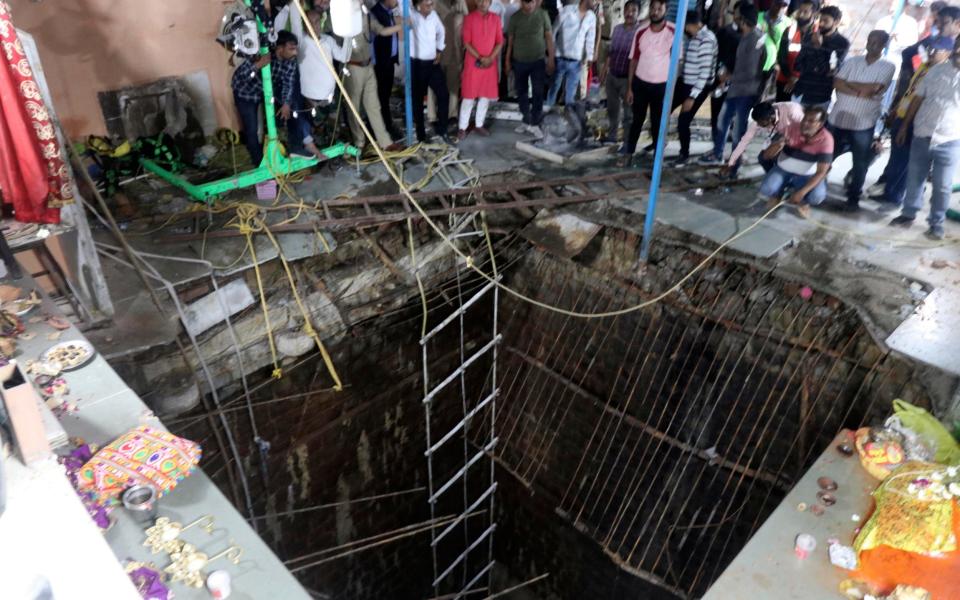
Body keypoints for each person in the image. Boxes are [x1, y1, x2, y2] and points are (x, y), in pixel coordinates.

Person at [889, 35, 960, 240]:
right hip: (922, 133)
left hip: (950, 139)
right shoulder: (935, 71)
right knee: (915, 177)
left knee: (943, 185)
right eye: (957, 45)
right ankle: (907, 214)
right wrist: (904, 126)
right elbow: (917, 98)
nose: (958, 50)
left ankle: (936, 223)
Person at [873, 35, 954, 210]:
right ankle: (890, 193)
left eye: (937, 50)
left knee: (905, 163)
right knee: (896, 159)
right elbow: (911, 91)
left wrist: (906, 123)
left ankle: (895, 198)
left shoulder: (941, 74)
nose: (931, 53)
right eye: (930, 49)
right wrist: (896, 110)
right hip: (903, 114)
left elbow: (923, 101)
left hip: (916, 121)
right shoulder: (924, 67)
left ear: (948, 53)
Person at [826, 30, 895, 211]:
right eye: (869, 40)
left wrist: (849, 85)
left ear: (884, 45)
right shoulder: (852, 61)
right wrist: (860, 91)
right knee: (826, 156)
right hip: (838, 118)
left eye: (876, 42)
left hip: (863, 123)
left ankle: (853, 197)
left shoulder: (888, 66)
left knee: (860, 162)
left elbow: (873, 90)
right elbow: (836, 84)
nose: (871, 44)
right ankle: (817, 187)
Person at [699, 2, 765, 166]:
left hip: (746, 92)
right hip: (735, 90)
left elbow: (750, 72)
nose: (733, 16)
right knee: (723, 121)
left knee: (738, 130)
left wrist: (728, 77)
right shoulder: (745, 36)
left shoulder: (755, 39)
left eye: (736, 14)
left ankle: (734, 163)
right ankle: (718, 154)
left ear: (742, 19)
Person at [334, 4, 403, 152]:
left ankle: (385, 142)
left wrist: (402, 26)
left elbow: (382, 31)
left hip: (368, 65)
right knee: (354, 108)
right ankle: (359, 142)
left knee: (374, 106)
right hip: (352, 67)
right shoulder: (341, 15)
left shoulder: (366, 14)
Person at [619, 0, 675, 163]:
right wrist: (630, 87)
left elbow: (676, 62)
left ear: (665, 10)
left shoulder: (673, 31)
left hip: (661, 86)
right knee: (637, 120)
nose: (655, 12)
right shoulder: (641, 31)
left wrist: (671, 89)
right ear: (649, 10)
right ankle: (628, 154)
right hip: (640, 83)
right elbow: (633, 60)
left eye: (659, 9)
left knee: (657, 123)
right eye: (653, 8)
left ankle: (657, 159)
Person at [758, 105, 834, 218]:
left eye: (811, 121)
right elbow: (766, 156)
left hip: (807, 175)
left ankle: (803, 202)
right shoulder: (790, 128)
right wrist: (778, 145)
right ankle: (777, 195)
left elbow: (821, 172)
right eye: (804, 119)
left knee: (817, 197)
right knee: (766, 190)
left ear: (820, 124)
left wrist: (802, 193)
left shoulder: (826, 140)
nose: (805, 123)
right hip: (783, 170)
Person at [672, 10, 718, 165]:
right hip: (685, 82)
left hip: (697, 87)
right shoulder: (696, 36)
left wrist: (692, 97)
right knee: (664, 110)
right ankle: (658, 144)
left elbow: (705, 72)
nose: (685, 30)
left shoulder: (706, 39)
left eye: (686, 27)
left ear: (693, 25)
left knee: (683, 121)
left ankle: (684, 154)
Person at [506, 0, 555, 137]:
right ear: (521, 2)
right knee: (521, 92)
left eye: (532, 2)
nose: (529, 6)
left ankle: (535, 123)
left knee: (538, 92)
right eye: (526, 3)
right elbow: (510, 42)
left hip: (537, 61)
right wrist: (507, 61)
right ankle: (526, 120)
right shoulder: (515, 18)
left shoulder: (543, 15)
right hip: (519, 62)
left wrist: (551, 59)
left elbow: (549, 38)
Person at [458, 0, 504, 138]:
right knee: (468, 97)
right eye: (480, 0)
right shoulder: (469, 19)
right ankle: (462, 127)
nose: (483, 3)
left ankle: (479, 125)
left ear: (490, 3)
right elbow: (466, 42)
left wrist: (490, 58)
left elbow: (500, 42)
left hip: (490, 64)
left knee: (485, 97)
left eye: (486, 0)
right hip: (473, 63)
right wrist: (480, 57)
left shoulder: (495, 18)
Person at [270, 30, 319, 159]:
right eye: (291, 49)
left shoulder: (291, 60)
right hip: (253, 93)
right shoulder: (267, 58)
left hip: (276, 89)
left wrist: (286, 103)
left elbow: (288, 83)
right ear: (280, 49)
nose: (296, 52)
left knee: (293, 107)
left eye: (296, 49)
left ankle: (297, 148)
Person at [409, 0, 453, 143]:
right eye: (428, 4)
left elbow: (441, 31)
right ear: (418, 5)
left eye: (432, 3)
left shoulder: (433, 15)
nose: (431, 7)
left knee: (444, 94)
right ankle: (421, 136)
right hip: (417, 65)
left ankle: (443, 129)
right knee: (417, 100)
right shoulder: (411, 14)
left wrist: (439, 49)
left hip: (433, 64)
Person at [722, 100, 805, 173]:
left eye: (761, 123)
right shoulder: (760, 120)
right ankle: (773, 175)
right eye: (757, 122)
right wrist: (731, 163)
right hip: (783, 133)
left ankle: (785, 176)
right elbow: (743, 143)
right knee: (763, 158)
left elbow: (805, 131)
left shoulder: (792, 111)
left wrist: (784, 143)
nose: (758, 125)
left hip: (800, 133)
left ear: (770, 118)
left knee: (780, 156)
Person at [791, 5, 849, 108]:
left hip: (820, 97)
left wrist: (818, 48)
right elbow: (798, 65)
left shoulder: (842, 43)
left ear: (836, 22)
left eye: (825, 21)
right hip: (800, 92)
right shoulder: (809, 37)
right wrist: (816, 66)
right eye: (820, 20)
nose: (821, 24)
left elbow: (830, 70)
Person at [896, 6, 960, 100]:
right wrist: (908, 75)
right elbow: (907, 52)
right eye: (939, 22)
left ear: (958, 24)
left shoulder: (950, 44)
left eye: (945, 23)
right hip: (919, 90)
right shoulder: (934, 39)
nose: (939, 26)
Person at [600, 0, 641, 144]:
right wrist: (605, 70)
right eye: (627, 10)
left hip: (628, 80)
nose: (629, 13)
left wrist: (632, 85)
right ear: (623, 12)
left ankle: (627, 143)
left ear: (638, 13)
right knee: (612, 110)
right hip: (613, 76)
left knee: (628, 113)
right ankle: (612, 136)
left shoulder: (639, 32)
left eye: (633, 11)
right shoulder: (617, 29)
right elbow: (611, 52)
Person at [546, 0, 597, 107]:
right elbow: (553, 31)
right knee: (554, 89)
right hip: (560, 58)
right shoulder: (567, 10)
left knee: (570, 94)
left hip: (576, 61)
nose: (596, 2)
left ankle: (568, 118)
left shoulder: (591, 17)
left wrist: (589, 57)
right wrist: (552, 54)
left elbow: (590, 38)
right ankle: (546, 113)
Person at [231, 52, 272, 167]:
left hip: (260, 93)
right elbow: (242, 75)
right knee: (252, 129)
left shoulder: (271, 54)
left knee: (263, 126)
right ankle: (259, 162)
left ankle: (266, 151)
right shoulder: (248, 51)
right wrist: (258, 64)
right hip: (245, 96)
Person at [371, 0, 404, 139]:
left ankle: (386, 126)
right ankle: (385, 128)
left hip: (388, 62)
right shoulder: (376, 13)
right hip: (381, 64)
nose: (397, 1)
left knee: (385, 96)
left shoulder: (388, 12)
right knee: (382, 98)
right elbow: (381, 34)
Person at [713, 1, 743, 139]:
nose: (740, 16)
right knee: (717, 113)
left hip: (739, 83)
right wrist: (720, 76)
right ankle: (716, 146)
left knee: (734, 117)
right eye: (738, 12)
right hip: (721, 79)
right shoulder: (724, 32)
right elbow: (717, 55)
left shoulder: (753, 36)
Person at [777, 0, 817, 101]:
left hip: (804, 83)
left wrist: (796, 78)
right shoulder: (789, 29)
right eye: (800, 11)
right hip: (784, 80)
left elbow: (814, 60)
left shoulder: (817, 35)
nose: (801, 14)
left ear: (814, 14)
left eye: (805, 12)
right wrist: (790, 77)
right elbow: (781, 55)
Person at [758, 0, 792, 74]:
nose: (780, 8)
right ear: (772, 2)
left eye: (784, 5)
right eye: (778, 3)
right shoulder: (758, 16)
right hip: (752, 62)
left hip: (770, 67)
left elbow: (786, 49)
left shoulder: (789, 23)